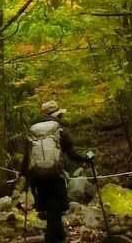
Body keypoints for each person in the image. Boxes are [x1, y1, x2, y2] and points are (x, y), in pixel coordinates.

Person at [17, 100, 93, 243]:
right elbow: (72, 154)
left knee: (52, 210)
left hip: (37, 177)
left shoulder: (32, 131)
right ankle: (51, 239)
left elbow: (27, 157)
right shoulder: (60, 129)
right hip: (56, 175)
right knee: (55, 209)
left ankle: (60, 238)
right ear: (56, 115)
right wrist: (87, 159)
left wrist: (24, 176)